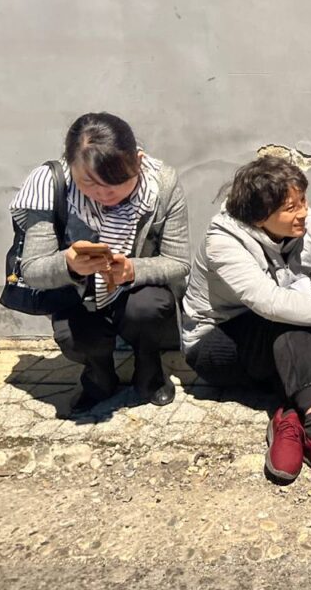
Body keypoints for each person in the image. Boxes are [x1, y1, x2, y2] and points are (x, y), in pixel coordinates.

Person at [181, 156, 311, 494]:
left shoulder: (306, 225)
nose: (303, 212)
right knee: (288, 317)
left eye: (303, 200)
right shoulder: (223, 242)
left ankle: (290, 413)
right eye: (290, 208)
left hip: (278, 333)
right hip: (219, 344)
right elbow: (269, 302)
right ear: (259, 217)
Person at [12, 112, 189, 414]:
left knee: (149, 308)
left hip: (135, 292)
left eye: (118, 181)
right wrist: (68, 265)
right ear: (70, 166)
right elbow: (32, 268)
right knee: (72, 335)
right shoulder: (49, 184)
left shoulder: (162, 183)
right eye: (89, 183)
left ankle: (149, 368)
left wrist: (133, 269)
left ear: (138, 160)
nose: (106, 194)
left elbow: (178, 260)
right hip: (79, 295)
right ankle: (98, 375)